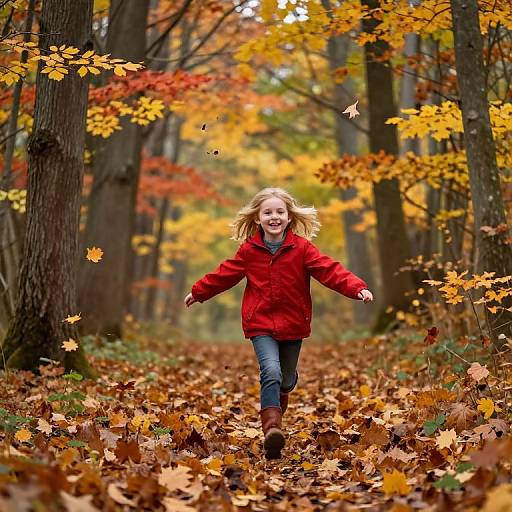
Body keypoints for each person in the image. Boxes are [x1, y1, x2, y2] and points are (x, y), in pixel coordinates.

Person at [184, 187, 373, 459]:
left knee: (284, 379)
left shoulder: (302, 249)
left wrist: (357, 288)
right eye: (268, 212)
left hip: (293, 323)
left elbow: (330, 270)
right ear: (258, 218)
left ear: (289, 217)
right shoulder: (249, 251)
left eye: (280, 212)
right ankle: (272, 430)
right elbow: (224, 274)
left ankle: (285, 388)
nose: (274, 217)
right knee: (270, 371)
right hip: (260, 324)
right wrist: (199, 292)